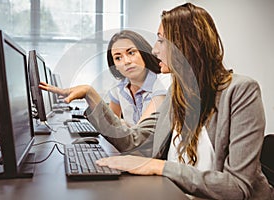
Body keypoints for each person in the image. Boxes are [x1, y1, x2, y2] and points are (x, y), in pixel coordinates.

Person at [40, 3, 274, 200]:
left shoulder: (241, 91)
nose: (154, 49)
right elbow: (136, 142)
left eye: (162, 41)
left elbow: (237, 187)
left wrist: (159, 167)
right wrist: (91, 95)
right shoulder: (178, 93)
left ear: (186, 45)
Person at [106, 30, 168, 126]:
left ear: (144, 53)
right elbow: (110, 125)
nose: (126, 61)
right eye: (118, 58)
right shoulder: (119, 87)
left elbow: (142, 132)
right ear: (115, 66)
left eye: (131, 53)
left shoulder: (162, 82)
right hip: (131, 140)